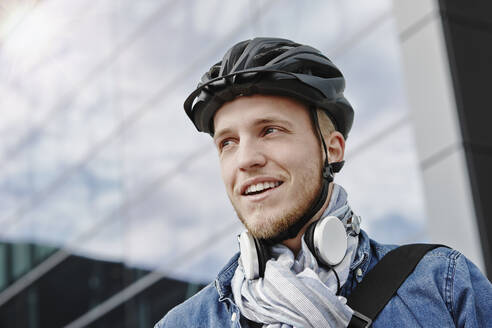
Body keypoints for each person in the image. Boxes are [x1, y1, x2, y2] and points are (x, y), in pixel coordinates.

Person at [155, 37, 492, 327]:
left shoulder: (442, 287)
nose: (245, 160)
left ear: (331, 150)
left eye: (270, 130)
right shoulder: (184, 323)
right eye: (227, 142)